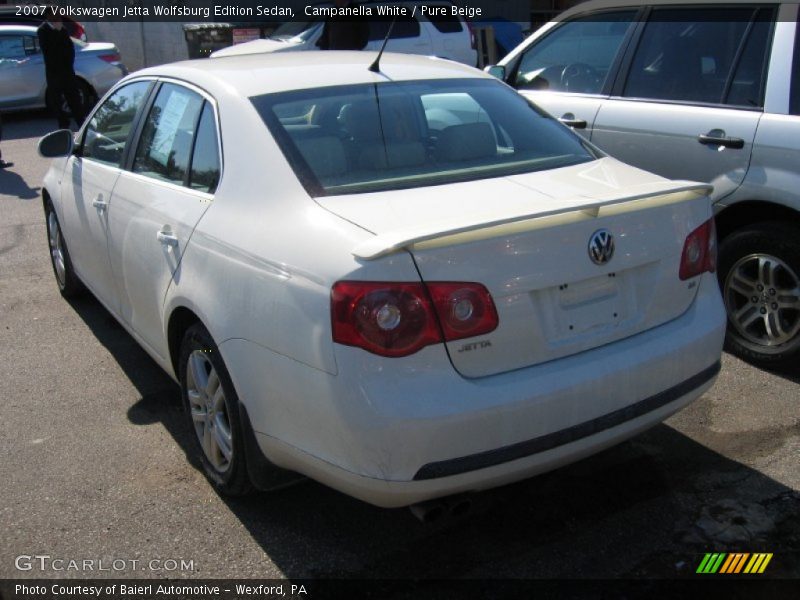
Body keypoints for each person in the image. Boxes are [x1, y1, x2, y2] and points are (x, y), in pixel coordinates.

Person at [37, 10, 86, 129]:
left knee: (74, 99)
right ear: (48, 16)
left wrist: (69, 65)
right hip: (54, 73)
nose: (58, 17)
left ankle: (81, 123)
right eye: (54, 15)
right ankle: (64, 125)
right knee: (56, 102)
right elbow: (49, 51)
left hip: (67, 71)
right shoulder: (43, 30)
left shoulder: (62, 29)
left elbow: (70, 48)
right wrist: (56, 31)